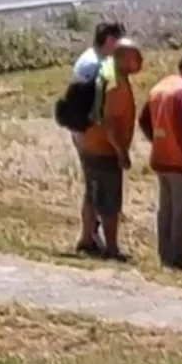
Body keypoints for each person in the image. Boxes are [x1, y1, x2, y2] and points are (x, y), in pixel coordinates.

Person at [138, 53, 182, 270]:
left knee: (167, 210)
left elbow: (143, 120)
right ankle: (179, 261)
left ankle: (166, 257)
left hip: (161, 159)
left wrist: (158, 141)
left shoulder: (159, 88)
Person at [79, 39, 144, 261]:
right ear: (124, 58)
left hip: (89, 143)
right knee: (109, 200)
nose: (141, 61)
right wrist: (121, 152)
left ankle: (87, 238)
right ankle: (112, 248)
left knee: (92, 194)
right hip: (104, 149)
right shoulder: (116, 84)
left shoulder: (106, 71)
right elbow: (111, 123)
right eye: (136, 57)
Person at [70, 21, 123, 255]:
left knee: (92, 189)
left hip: (83, 133)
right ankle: (101, 242)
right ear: (110, 41)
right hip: (92, 137)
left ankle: (88, 237)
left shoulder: (89, 60)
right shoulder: (96, 66)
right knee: (102, 189)